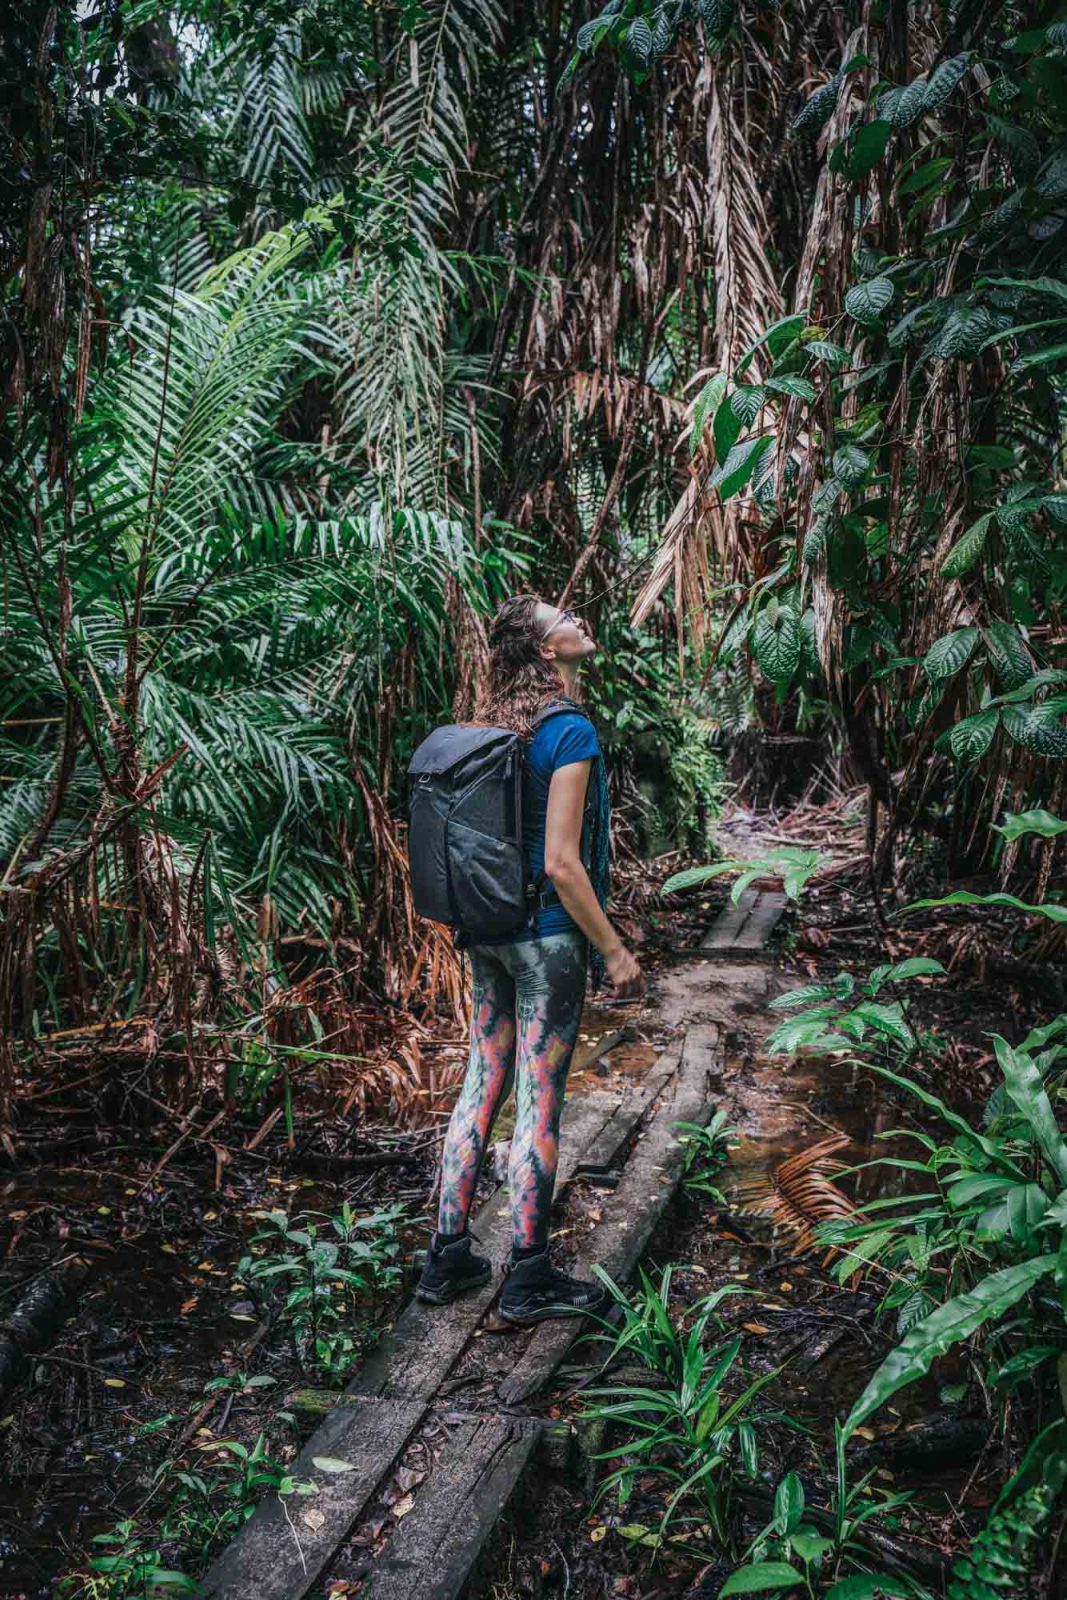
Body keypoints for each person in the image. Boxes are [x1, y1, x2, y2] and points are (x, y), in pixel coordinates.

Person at [416, 593, 644, 1323]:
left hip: (487, 932)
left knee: (481, 1082)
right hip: (546, 940)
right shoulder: (568, 731)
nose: (582, 620)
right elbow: (562, 864)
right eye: (566, 620)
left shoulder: (497, 729)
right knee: (539, 1103)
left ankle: (447, 1255)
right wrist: (613, 950)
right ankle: (528, 1275)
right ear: (548, 652)